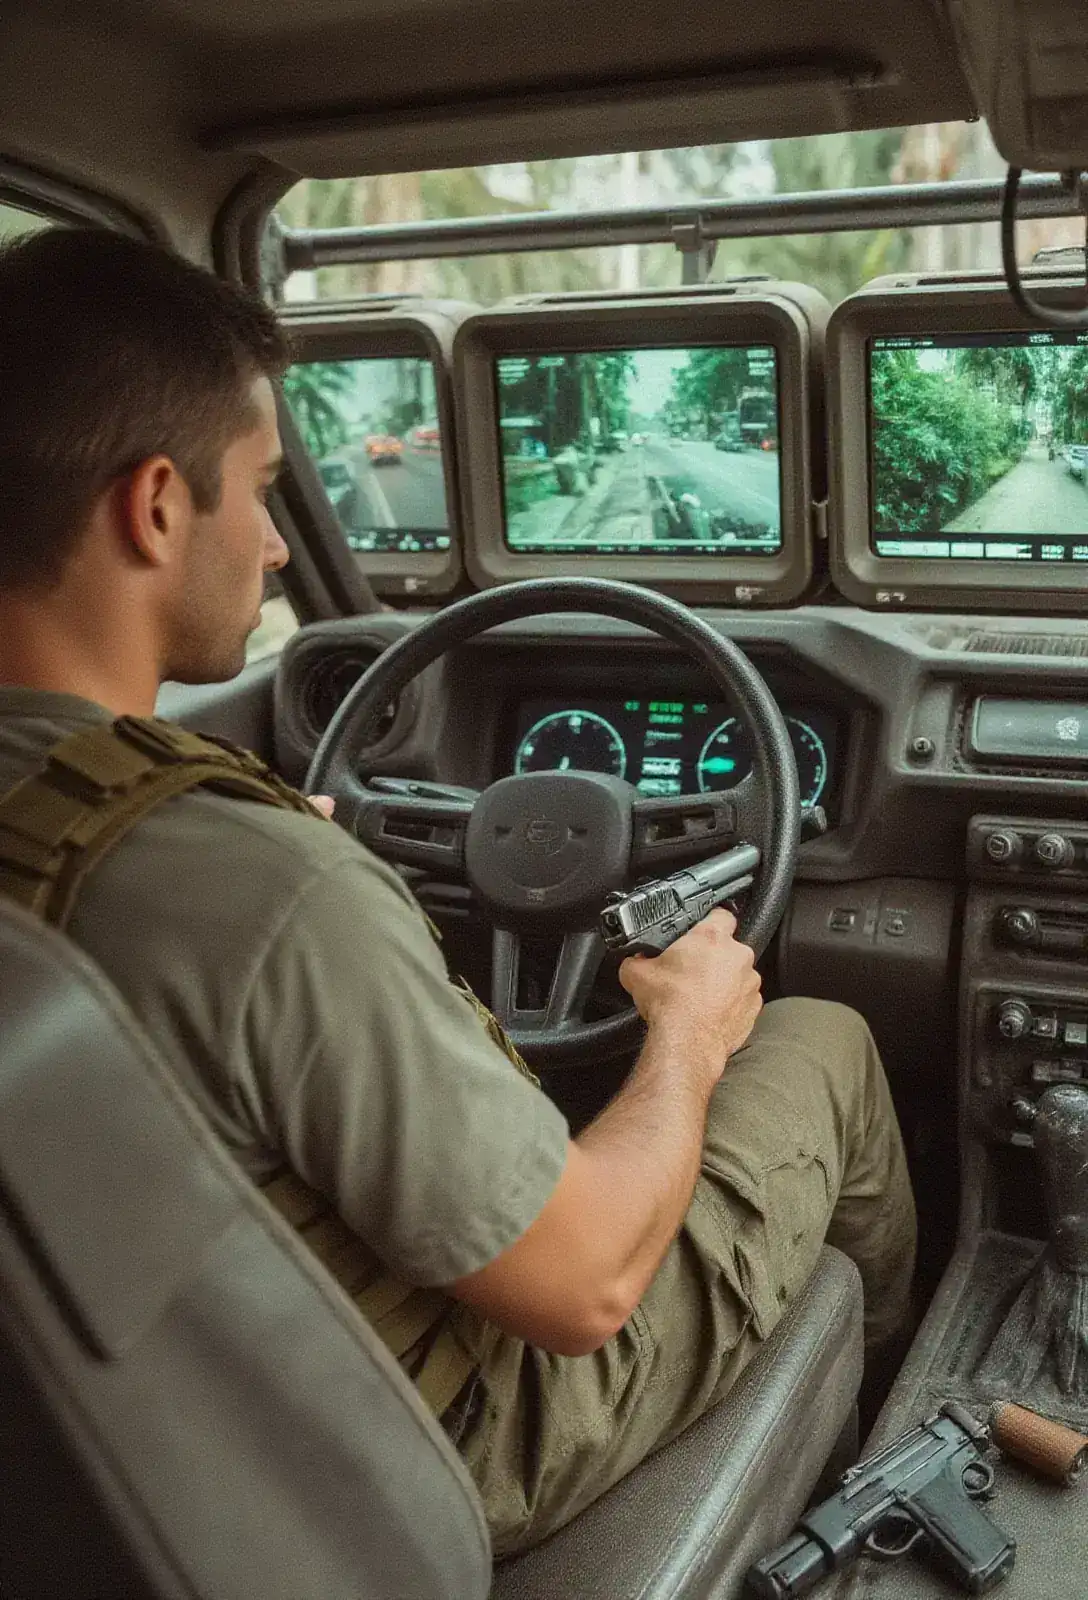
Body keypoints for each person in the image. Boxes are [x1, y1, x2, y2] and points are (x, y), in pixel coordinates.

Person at [0, 227, 916, 1557]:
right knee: (823, 1038)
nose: (276, 548)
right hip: (420, 1445)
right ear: (152, 507)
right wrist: (687, 1030)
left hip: (128, 1424)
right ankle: (889, 1423)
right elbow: (584, 1284)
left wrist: (298, 876)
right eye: (262, 492)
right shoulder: (263, 890)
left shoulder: (192, 851)